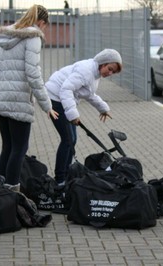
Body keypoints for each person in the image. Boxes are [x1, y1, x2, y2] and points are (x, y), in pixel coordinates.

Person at [0, 5, 58, 192]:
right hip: (19, 100)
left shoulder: (5, 35)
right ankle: (11, 193)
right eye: (45, 26)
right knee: (19, 149)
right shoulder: (33, 37)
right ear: (41, 22)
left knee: (8, 146)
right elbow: (33, 74)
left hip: (0, 98)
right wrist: (47, 106)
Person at [45, 48, 122, 185]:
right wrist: (73, 114)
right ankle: (60, 180)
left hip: (63, 100)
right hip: (55, 99)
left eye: (113, 72)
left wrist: (102, 108)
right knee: (68, 140)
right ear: (103, 63)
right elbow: (66, 89)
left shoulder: (95, 74)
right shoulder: (86, 71)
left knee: (72, 140)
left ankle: (67, 174)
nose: (109, 73)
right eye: (109, 69)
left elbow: (89, 94)